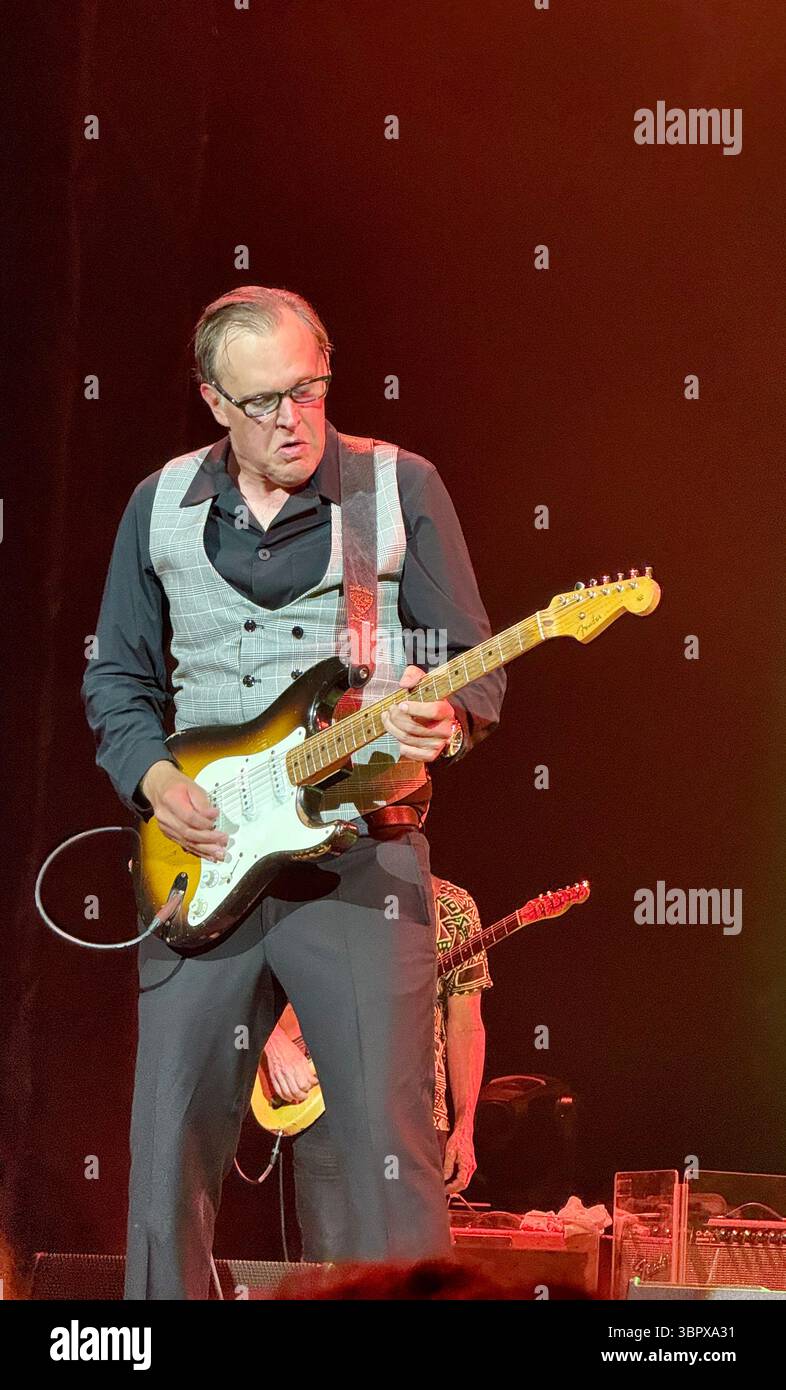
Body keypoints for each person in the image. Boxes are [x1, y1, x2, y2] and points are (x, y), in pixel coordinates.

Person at [81, 285, 505, 1299]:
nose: (292, 419)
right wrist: (153, 777)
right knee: (165, 1147)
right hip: (207, 855)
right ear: (213, 402)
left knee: (385, 1154)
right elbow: (116, 677)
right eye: (263, 401)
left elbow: (472, 666)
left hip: (363, 857)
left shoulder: (399, 487)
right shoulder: (161, 504)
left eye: (309, 389)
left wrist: (438, 720)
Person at [263, 870, 492, 1262]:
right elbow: (251, 974)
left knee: (413, 1266)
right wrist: (272, 1041)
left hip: (417, 1115)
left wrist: (465, 1124)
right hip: (324, 1110)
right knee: (327, 1262)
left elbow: (466, 1023)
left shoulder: (451, 906)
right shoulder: (317, 892)